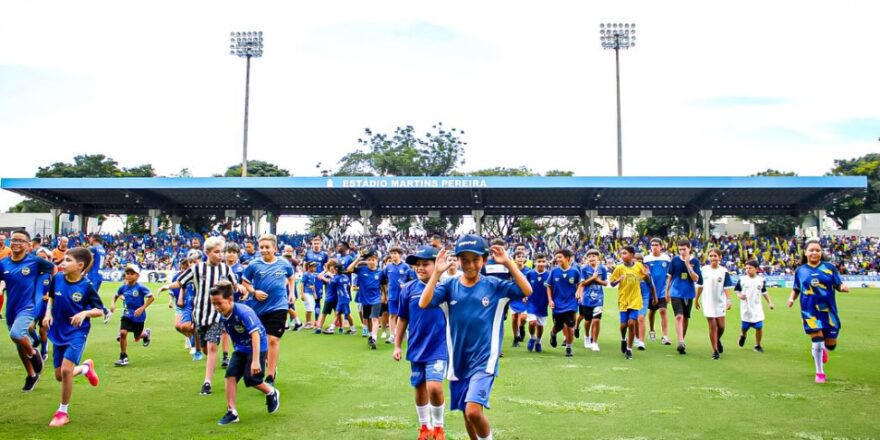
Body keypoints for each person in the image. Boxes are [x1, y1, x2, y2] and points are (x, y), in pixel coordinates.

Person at [419, 235, 532, 440]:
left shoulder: (494, 286)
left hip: (484, 360)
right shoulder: (450, 287)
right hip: (459, 361)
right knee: (466, 413)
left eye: (475, 259)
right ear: (459, 260)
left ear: (485, 260)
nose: (470, 264)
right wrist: (436, 273)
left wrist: (508, 262)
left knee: (473, 411)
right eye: (465, 259)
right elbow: (424, 303)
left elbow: (527, 290)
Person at [160, 236, 238, 396]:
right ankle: (215, 362)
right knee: (205, 348)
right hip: (200, 316)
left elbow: (234, 285)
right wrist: (167, 286)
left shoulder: (225, 269)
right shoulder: (197, 269)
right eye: (217, 252)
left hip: (217, 316)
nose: (220, 255)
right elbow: (180, 282)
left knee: (212, 345)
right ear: (208, 252)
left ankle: (207, 382)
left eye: (221, 252)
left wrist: (241, 289)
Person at [43, 247, 103, 427]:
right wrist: (48, 314)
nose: (63, 263)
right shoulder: (58, 279)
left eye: (67, 260)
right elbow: (51, 298)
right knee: (59, 375)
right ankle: (85, 368)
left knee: (66, 370)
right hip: (58, 330)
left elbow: (100, 310)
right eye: (63, 260)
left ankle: (62, 412)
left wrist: (84, 313)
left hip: (77, 332)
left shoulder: (87, 286)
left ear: (80, 265)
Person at [393, 245, 448, 440]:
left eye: (425, 264)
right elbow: (402, 319)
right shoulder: (408, 289)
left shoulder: (446, 287)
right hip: (416, 346)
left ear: (436, 265)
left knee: (434, 387)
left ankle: (439, 428)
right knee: (419, 387)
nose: (420, 268)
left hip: (439, 346)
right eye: (417, 265)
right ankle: (425, 427)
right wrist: (397, 345)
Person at [210, 281, 280, 425]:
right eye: (213, 304)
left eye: (219, 303)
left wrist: (255, 360)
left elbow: (255, 334)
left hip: (257, 347)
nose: (216, 307)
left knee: (251, 380)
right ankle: (232, 412)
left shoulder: (243, 312)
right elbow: (214, 335)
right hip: (241, 348)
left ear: (230, 300)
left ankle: (271, 392)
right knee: (230, 375)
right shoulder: (221, 314)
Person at [787, 237, 848, 384]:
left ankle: (823, 350)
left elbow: (838, 284)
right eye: (811, 250)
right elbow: (796, 288)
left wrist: (842, 288)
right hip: (809, 311)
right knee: (817, 340)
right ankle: (820, 372)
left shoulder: (829, 268)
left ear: (821, 252)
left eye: (817, 250)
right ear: (805, 253)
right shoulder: (800, 271)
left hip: (828, 310)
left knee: (831, 345)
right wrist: (791, 299)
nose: (814, 252)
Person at [0, 230, 55, 391]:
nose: (16, 243)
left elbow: (53, 269)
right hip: (11, 309)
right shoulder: (3, 263)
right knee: (19, 343)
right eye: (14, 240)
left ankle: (34, 353)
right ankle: (31, 375)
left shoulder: (35, 261)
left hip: (28, 306)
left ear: (28, 245)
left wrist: (44, 284)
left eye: (21, 240)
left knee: (16, 334)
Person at [241, 234, 296, 387]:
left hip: (279, 306)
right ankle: (267, 364)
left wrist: (291, 293)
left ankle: (270, 376)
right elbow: (245, 281)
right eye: (262, 247)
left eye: (267, 247)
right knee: (260, 340)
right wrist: (254, 292)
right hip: (258, 309)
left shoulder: (284, 263)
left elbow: (291, 277)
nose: (264, 250)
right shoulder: (253, 264)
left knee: (273, 340)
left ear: (275, 249)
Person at [610, 246, 652, 360]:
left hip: (635, 299)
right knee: (623, 325)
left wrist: (646, 274)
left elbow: (647, 280)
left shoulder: (639, 266)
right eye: (621, 253)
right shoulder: (619, 268)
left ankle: (629, 349)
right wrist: (618, 280)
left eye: (625, 253)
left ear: (632, 255)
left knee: (632, 323)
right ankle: (623, 339)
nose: (623, 255)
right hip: (623, 299)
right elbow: (612, 283)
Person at [110, 264, 154, 366]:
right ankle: (123, 357)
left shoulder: (141, 287)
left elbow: (151, 297)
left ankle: (146, 334)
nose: (129, 275)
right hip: (126, 314)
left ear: (137, 276)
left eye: (132, 274)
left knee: (137, 336)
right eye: (127, 273)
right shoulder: (123, 287)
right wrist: (113, 303)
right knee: (123, 333)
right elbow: (116, 295)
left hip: (139, 316)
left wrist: (142, 308)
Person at [695, 248, 733, 360]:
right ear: (708, 258)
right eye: (711, 256)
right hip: (707, 301)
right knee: (712, 325)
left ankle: (717, 340)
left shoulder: (724, 271)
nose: (713, 258)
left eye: (715, 256)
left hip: (719, 302)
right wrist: (696, 299)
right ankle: (715, 350)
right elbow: (700, 286)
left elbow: (726, 287)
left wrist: (729, 300)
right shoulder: (703, 270)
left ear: (720, 257)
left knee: (721, 326)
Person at [666, 239, 702, 355]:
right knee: (679, 317)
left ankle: (682, 339)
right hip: (675, 292)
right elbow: (669, 277)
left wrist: (688, 265)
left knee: (686, 318)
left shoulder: (695, 261)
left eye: (684, 249)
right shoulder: (675, 260)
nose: (682, 251)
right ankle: (680, 341)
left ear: (689, 248)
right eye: (680, 249)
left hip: (689, 293)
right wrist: (667, 291)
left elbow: (696, 278)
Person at [347, 250, 387, 349]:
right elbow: (349, 269)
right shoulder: (361, 269)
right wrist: (358, 259)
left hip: (376, 299)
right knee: (368, 319)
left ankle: (374, 338)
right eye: (369, 260)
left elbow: (383, 286)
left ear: (377, 260)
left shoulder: (380, 272)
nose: (371, 261)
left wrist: (385, 296)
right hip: (365, 300)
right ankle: (370, 335)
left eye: (373, 259)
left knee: (374, 318)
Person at [546, 249, 580, 357]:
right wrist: (550, 300)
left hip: (571, 303)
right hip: (557, 304)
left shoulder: (575, 271)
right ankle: (553, 333)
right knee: (559, 325)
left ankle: (569, 347)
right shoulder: (554, 271)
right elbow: (549, 287)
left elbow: (580, 284)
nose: (557, 259)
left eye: (560, 257)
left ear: (568, 258)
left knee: (570, 325)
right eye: (557, 257)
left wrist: (579, 292)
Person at [736, 260, 774, 353]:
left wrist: (770, 303)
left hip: (757, 307)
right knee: (745, 326)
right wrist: (739, 295)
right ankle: (743, 335)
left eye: (750, 268)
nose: (748, 270)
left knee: (759, 326)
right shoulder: (742, 279)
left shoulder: (760, 280)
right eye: (746, 268)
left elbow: (764, 292)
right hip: (746, 307)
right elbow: (737, 290)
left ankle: (757, 345)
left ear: (756, 269)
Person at [576, 249, 607, 352]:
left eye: (594, 256)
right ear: (587, 258)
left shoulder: (602, 268)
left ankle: (595, 342)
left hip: (599, 298)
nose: (592, 258)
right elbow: (583, 283)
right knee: (587, 320)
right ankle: (586, 336)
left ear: (598, 257)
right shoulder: (584, 269)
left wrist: (598, 280)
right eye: (589, 256)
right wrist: (593, 278)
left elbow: (606, 283)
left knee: (597, 320)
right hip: (587, 298)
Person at [173, 254, 202, 360]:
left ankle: (196, 347)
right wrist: (178, 299)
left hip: (198, 304)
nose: (184, 267)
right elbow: (180, 287)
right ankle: (191, 340)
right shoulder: (179, 277)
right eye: (184, 265)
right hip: (186, 305)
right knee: (181, 326)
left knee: (192, 327)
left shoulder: (198, 274)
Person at [644, 238, 672, 345]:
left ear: (661, 246)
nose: (654, 247)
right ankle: (652, 329)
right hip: (650, 289)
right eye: (652, 245)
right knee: (652, 311)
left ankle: (665, 336)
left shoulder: (666, 259)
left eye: (656, 245)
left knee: (663, 311)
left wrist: (668, 290)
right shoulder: (646, 259)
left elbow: (669, 275)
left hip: (662, 290)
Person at [525, 253, 551, 352]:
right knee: (532, 322)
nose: (541, 264)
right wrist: (524, 296)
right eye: (539, 261)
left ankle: (538, 341)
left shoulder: (549, 275)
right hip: (531, 302)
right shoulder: (530, 274)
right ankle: (532, 337)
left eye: (543, 261)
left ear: (546, 262)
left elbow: (552, 288)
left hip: (543, 304)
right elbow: (524, 285)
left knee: (540, 326)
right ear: (535, 262)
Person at [384, 246, 410, 345]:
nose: (393, 255)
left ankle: (405, 333)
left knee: (404, 315)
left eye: (395, 253)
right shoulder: (387, 267)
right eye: (392, 253)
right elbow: (384, 280)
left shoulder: (405, 266)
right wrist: (384, 293)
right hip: (392, 295)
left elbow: (410, 279)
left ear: (400, 254)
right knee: (392, 315)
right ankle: (392, 335)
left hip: (404, 295)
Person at [633, 253, 658, 351]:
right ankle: (635, 336)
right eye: (636, 260)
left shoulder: (646, 272)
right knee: (633, 319)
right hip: (632, 298)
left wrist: (655, 298)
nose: (638, 262)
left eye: (640, 260)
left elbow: (652, 285)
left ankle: (641, 341)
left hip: (644, 298)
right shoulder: (630, 271)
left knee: (641, 318)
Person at [86, 235, 110, 324]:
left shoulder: (93, 248)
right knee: (92, 294)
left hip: (93, 275)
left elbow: (90, 261)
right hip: (99, 274)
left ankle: (104, 311)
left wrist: (84, 272)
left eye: (90, 238)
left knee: (89, 295)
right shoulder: (102, 249)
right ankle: (105, 311)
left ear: (94, 238)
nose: (89, 239)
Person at [508, 252, 529, 348]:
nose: (520, 258)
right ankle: (516, 337)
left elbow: (530, 285)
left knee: (522, 318)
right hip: (514, 297)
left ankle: (521, 328)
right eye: (518, 257)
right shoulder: (511, 270)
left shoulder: (528, 271)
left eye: (522, 256)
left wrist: (527, 295)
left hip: (524, 297)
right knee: (514, 318)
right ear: (514, 259)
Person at [305, 236, 329, 317]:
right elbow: (305, 265)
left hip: (319, 279)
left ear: (321, 244)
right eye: (314, 243)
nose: (316, 245)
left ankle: (316, 320)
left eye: (317, 243)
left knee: (317, 299)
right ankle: (308, 321)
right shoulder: (308, 253)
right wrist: (305, 274)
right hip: (309, 279)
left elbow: (327, 266)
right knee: (308, 299)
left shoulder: (324, 255)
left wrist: (322, 275)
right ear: (312, 244)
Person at [301, 262, 318, 329]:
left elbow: (313, 285)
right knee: (309, 308)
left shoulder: (313, 275)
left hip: (311, 293)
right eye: (313, 267)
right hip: (306, 292)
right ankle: (308, 323)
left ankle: (309, 322)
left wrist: (314, 293)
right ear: (309, 267)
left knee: (311, 308)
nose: (315, 268)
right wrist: (302, 294)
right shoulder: (306, 274)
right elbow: (302, 284)